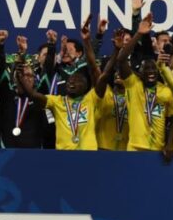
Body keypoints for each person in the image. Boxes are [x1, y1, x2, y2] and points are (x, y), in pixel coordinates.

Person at [19, 15, 109, 150]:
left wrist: (97, 36)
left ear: (79, 53)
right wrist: (53, 46)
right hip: (50, 120)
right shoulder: (56, 70)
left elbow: (91, 58)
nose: (66, 52)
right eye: (64, 49)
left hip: (77, 124)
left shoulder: (81, 70)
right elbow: (47, 67)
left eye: (69, 50)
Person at [116, 13, 173, 156]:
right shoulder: (133, 84)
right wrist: (138, 34)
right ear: (139, 73)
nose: (151, 71)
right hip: (134, 148)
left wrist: (169, 144)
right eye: (146, 68)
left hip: (158, 150)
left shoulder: (166, 91)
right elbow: (121, 60)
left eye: (153, 68)